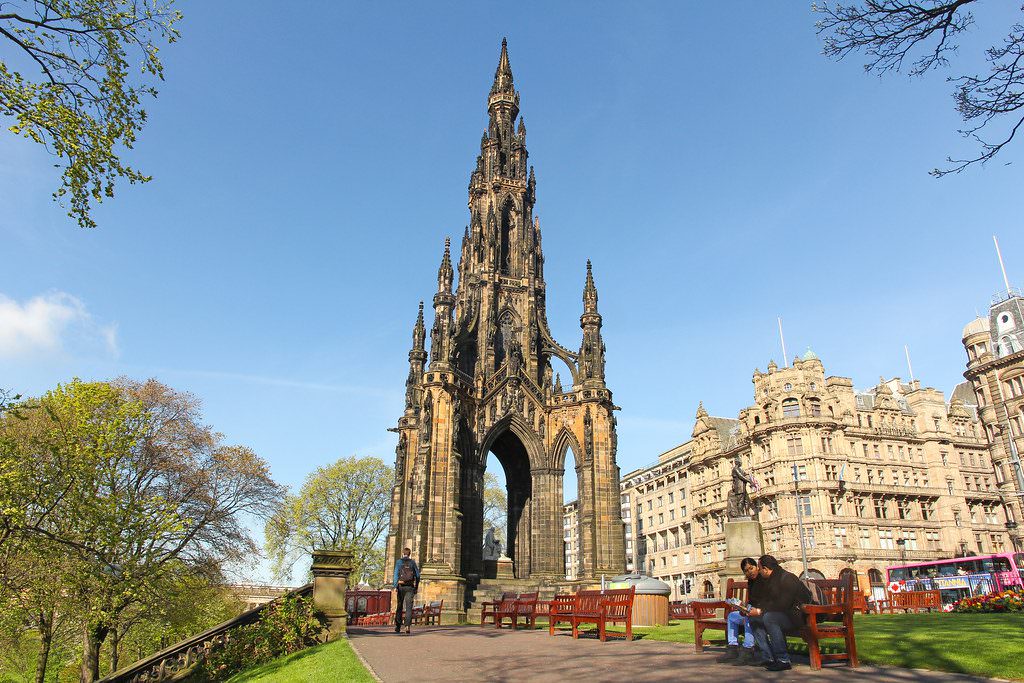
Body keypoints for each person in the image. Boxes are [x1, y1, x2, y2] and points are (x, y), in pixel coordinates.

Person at [746, 555, 812, 671]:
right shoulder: (770, 580)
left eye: (760, 568)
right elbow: (767, 601)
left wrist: (760, 611)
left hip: (798, 617)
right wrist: (752, 610)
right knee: (754, 619)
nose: (759, 571)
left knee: (770, 618)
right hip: (785, 615)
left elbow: (783, 604)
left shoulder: (787, 578)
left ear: (766, 569)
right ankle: (768, 657)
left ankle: (783, 659)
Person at [716, 557, 764, 665]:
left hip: (762, 613)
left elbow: (765, 600)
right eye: (746, 571)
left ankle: (748, 649)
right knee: (732, 616)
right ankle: (733, 648)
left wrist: (750, 610)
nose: (750, 572)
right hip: (752, 610)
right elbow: (752, 600)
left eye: (751, 568)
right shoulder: (751, 582)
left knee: (748, 616)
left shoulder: (763, 579)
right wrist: (742, 607)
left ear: (756, 567)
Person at [393, 547, 420, 634]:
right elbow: (418, 575)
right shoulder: (412, 562)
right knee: (408, 607)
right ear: (409, 554)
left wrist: (395, 586)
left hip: (401, 586)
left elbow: (396, 574)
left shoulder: (399, 562)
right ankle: (407, 626)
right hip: (410, 587)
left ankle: (398, 626)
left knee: (399, 606)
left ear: (403, 553)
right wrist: (416, 586)